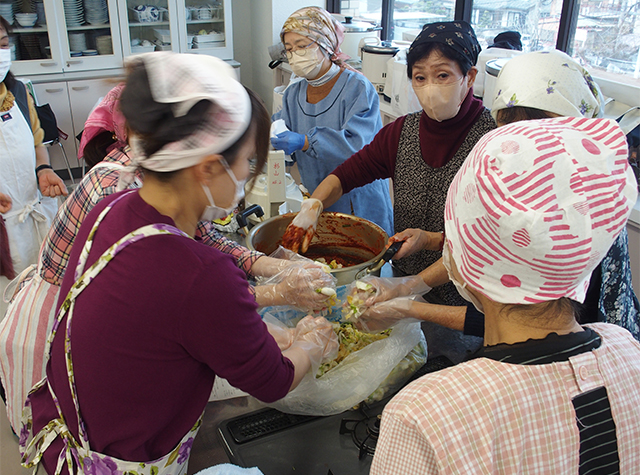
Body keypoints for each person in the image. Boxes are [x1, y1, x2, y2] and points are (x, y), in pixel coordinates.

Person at [18, 52, 339, 475]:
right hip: (126, 456)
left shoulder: (114, 208)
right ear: (207, 168)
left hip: (75, 430)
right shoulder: (202, 276)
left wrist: (250, 317)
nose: (249, 178)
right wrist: (312, 343)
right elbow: (273, 381)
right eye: (248, 163)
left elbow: (155, 315)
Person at [370, 116, 640, 474]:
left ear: (467, 255)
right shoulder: (627, 349)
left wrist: (409, 298)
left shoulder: (426, 413)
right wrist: (409, 294)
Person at [355, 50, 640, 344]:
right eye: (506, 128)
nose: (516, 145)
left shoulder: (581, 215)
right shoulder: (508, 164)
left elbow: (519, 319)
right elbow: (490, 246)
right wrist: (410, 283)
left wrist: (410, 307)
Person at [287, 20, 496, 308]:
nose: (430, 87)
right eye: (420, 77)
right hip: (405, 279)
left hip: (470, 295)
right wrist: (313, 206)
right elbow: (347, 175)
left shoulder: (493, 141)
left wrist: (432, 239)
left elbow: (493, 235)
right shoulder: (402, 133)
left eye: (443, 75)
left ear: (469, 76)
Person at [271, 6, 393, 236]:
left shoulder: (357, 87)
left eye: (302, 46)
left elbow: (359, 148)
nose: (295, 54)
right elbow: (279, 139)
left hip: (358, 201)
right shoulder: (293, 93)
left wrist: (306, 141)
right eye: (289, 49)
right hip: (316, 199)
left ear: (325, 43)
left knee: (365, 261)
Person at [0, 17, 67, 318]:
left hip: (33, 211)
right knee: (8, 302)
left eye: (2, 43)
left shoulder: (18, 93)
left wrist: (43, 170)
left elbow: (38, 142)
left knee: (42, 295)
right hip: (4, 224)